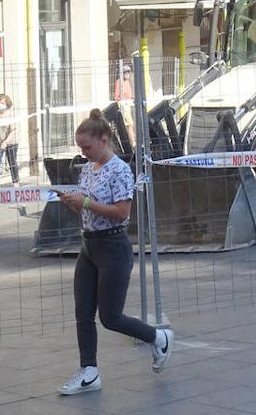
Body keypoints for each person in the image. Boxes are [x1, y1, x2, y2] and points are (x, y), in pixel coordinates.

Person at [56, 110, 172, 395]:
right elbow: (87, 201)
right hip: (90, 246)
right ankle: (89, 371)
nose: (83, 153)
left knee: (110, 317)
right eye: (80, 147)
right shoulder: (89, 168)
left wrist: (83, 204)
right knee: (83, 313)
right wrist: (72, 201)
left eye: (87, 147)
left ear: (104, 140)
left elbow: (122, 213)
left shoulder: (119, 170)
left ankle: (158, 337)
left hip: (113, 247)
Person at [0, 94, 19, 184]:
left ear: (7, 105)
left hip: (10, 141)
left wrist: (5, 142)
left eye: (2, 103)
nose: (0, 105)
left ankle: (16, 183)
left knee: (12, 163)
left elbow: (12, 131)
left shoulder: (10, 115)